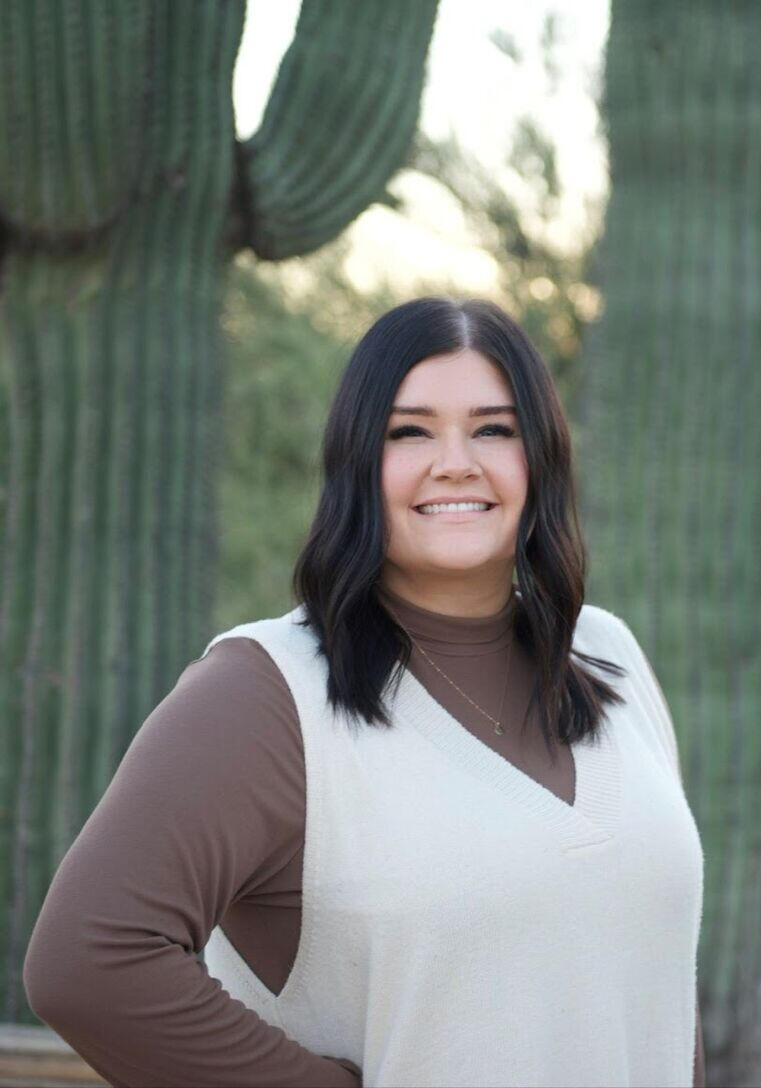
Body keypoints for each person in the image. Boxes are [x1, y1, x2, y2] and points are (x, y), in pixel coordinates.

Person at [23, 297, 706, 1087]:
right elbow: (88, 960)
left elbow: (659, 980)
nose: (456, 462)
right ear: (357, 461)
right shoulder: (264, 692)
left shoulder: (611, 655)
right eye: (408, 431)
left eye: (494, 428)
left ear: (541, 456)